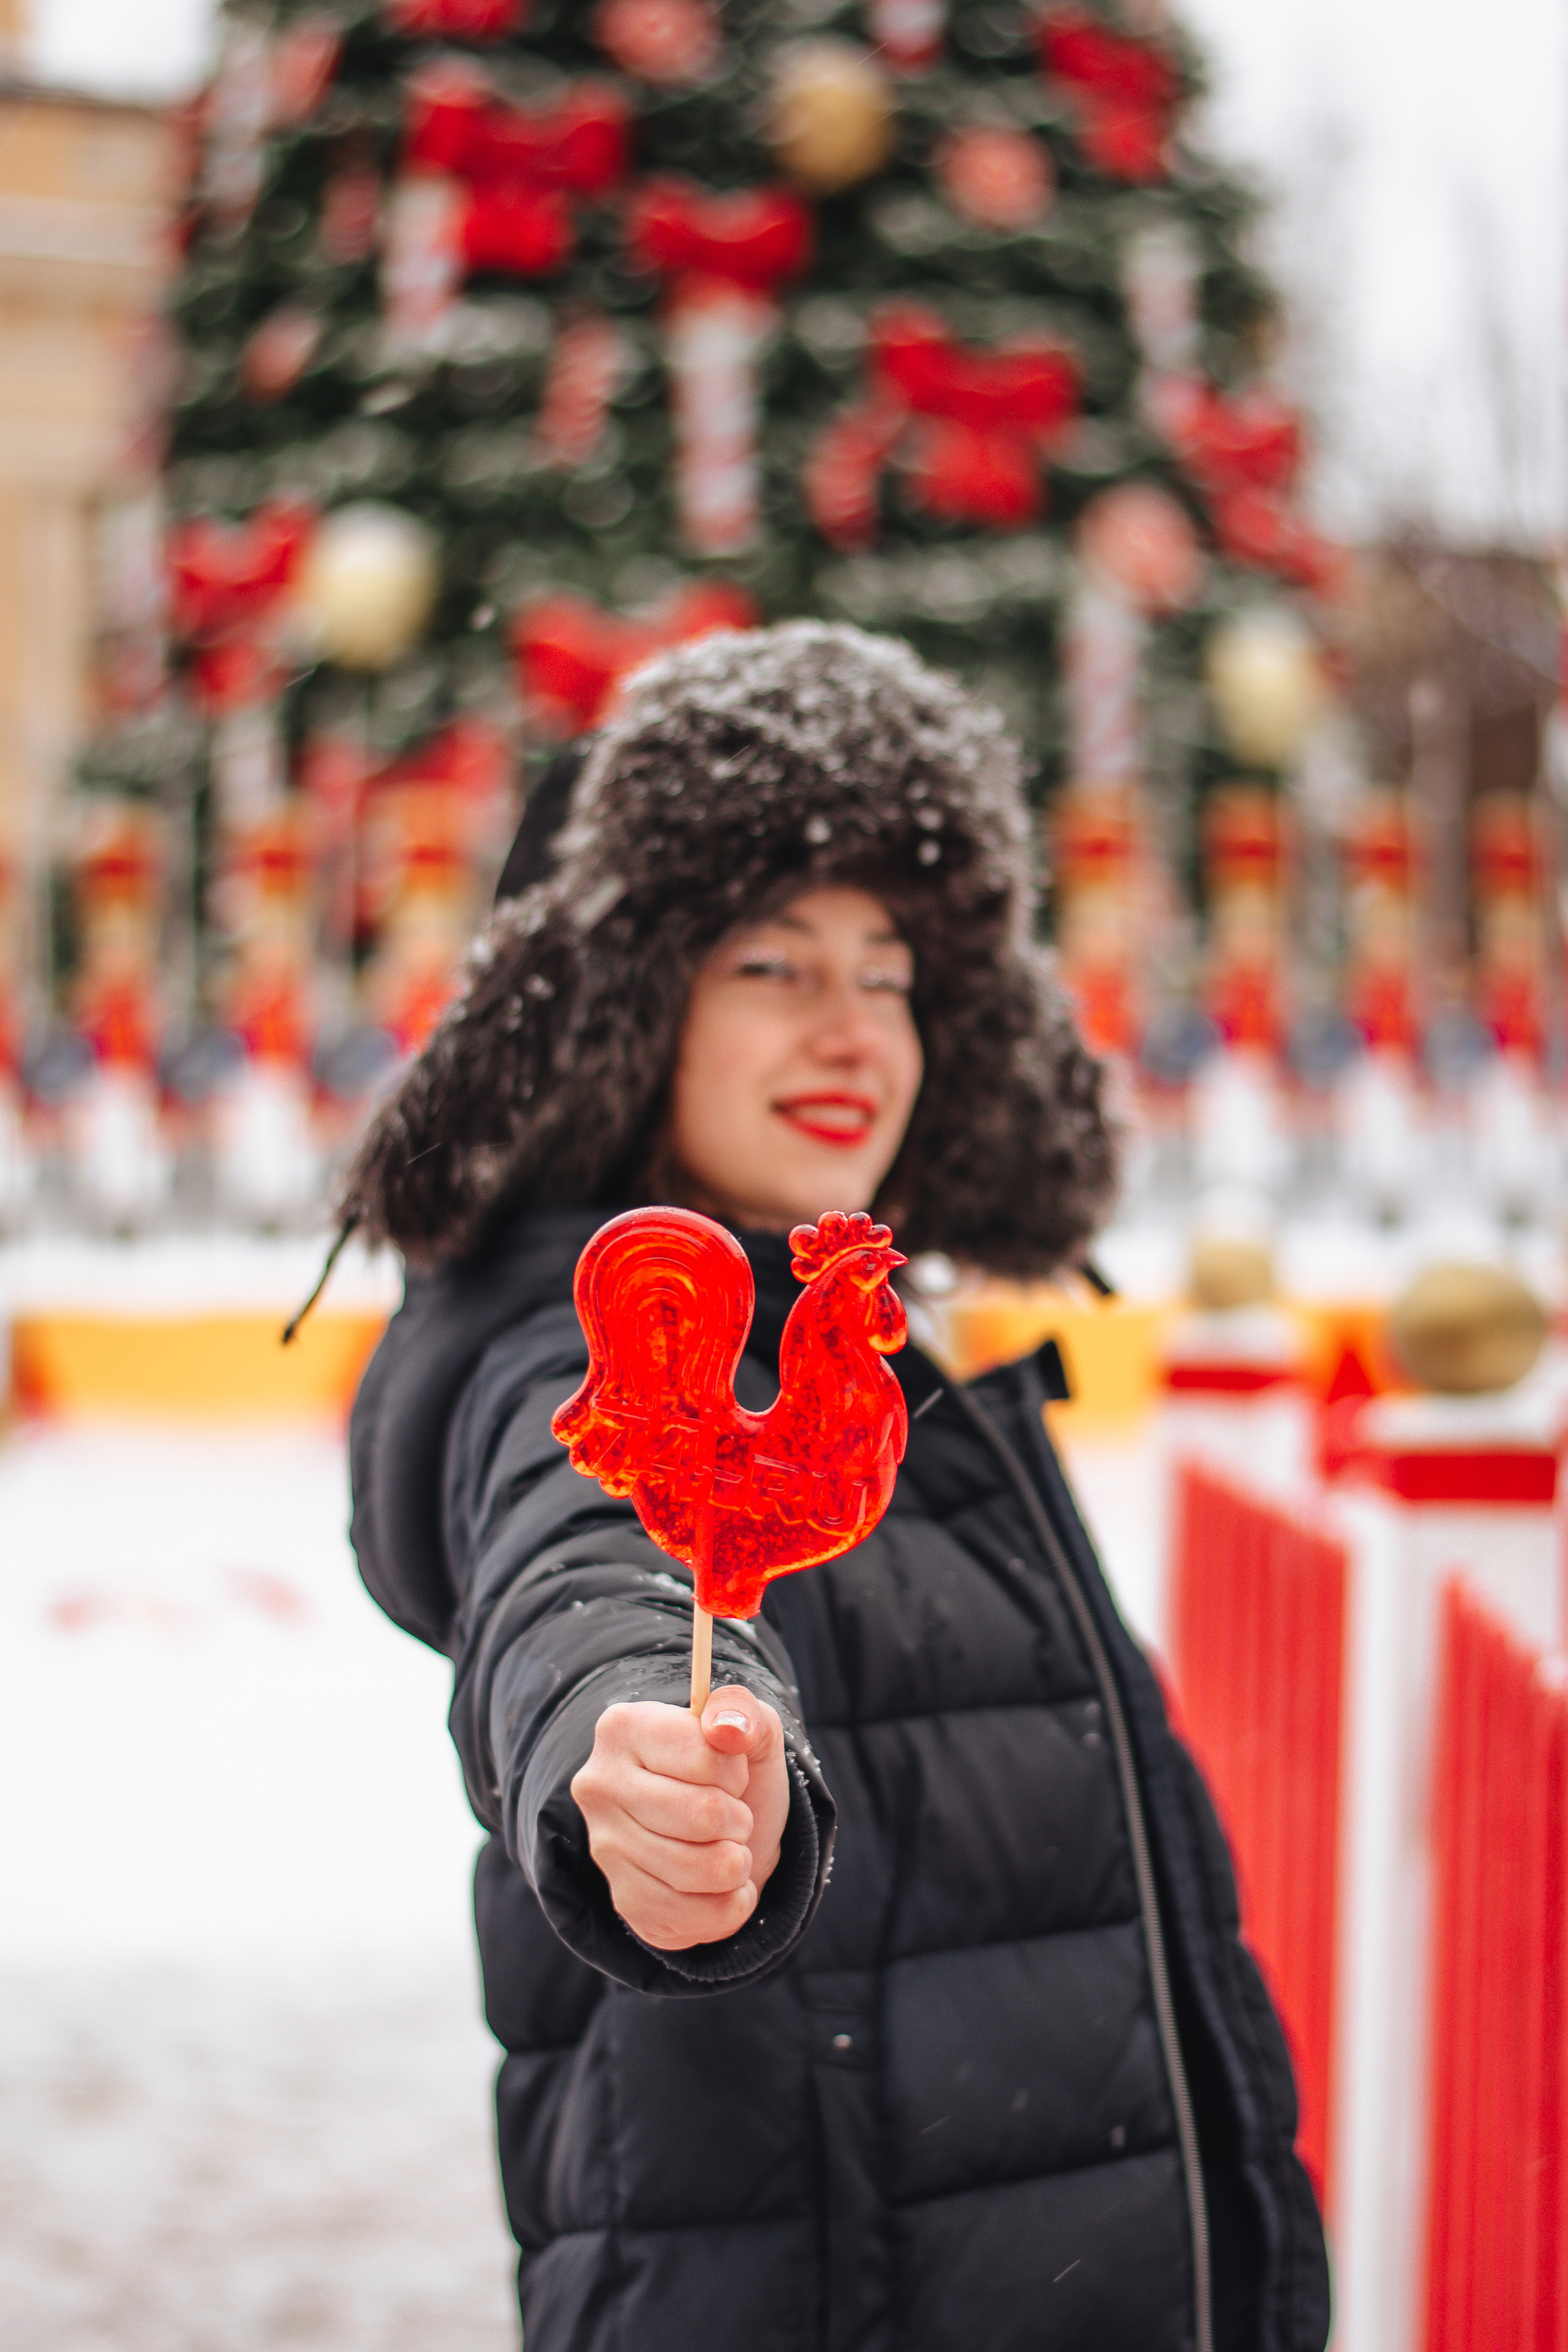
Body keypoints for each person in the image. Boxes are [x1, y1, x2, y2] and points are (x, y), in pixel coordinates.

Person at [345, 622, 1329, 2352]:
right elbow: (587, 1559)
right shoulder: (603, 1340)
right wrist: (631, 1750)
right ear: (625, 1012)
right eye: (771, 966)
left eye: (888, 975)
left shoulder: (872, 1335)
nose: (851, 1027)